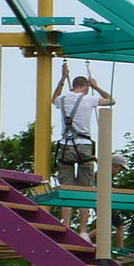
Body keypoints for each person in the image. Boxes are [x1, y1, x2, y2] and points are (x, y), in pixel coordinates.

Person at [53, 66, 115, 233]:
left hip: (66, 146)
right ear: (86, 87)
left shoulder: (63, 99)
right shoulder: (88, 99)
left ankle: (66, 225)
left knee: (67, 189)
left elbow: (54, 99)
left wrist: (62, 79)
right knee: (85, 190)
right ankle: (82, 230)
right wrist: (96, 87)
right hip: (84, 146)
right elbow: (111, 100)